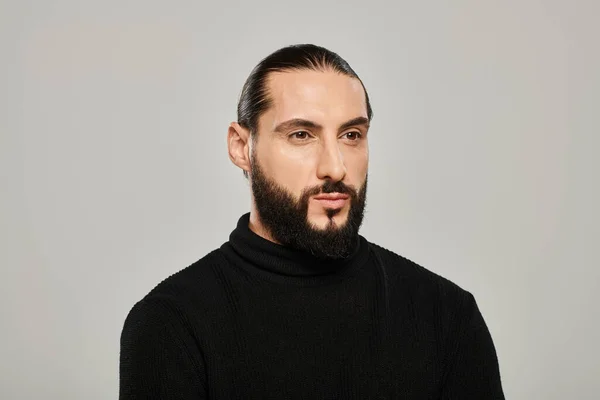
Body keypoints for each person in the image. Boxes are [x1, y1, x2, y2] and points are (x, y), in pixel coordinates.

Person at [119, 44, 505, 399]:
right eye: (302, 134)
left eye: (351, 135)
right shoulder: (171, 323)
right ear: (242, 148)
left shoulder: (445, 314)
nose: (335, 167)